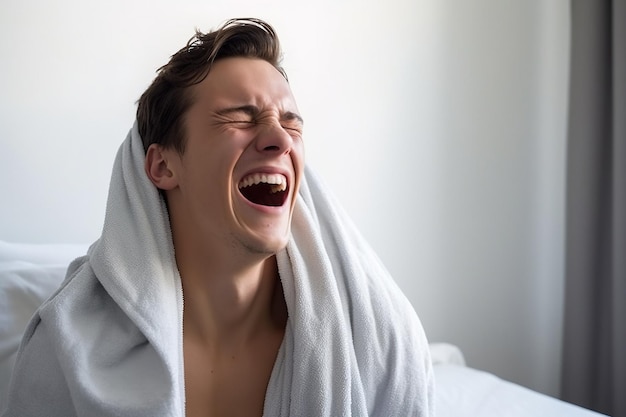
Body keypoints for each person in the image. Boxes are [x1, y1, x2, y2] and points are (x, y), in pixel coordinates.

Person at [2, 18, 434, 416]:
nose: (280, 138)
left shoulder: (378, 340)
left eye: (291, 123)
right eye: (240, 117)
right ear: (164, 167)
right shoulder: (66, 348)